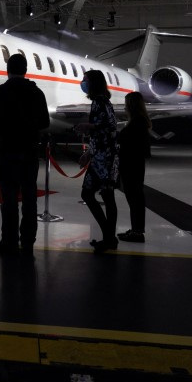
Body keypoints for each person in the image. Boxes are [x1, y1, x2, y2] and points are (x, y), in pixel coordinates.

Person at [0, 53, 49, 257]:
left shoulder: (1, 91)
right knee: (30, 198)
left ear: (8, 69)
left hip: (8, 152)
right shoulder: (36, 92)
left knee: (9, 199)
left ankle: (9, 241)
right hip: (30, 153)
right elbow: (45, 123)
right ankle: (28, 242)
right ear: (25, 70)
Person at [74, 69, 120, 254]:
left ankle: (109, 238)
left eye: (85, 80)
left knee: (104, 197)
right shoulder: (99, 102)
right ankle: (109, 237)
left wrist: (88, 126)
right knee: (93, 195)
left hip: (105, 159)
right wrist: (89, 154)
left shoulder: (101, 102)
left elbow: (110, 127)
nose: (82, 82)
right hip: (99, 156)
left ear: (93, 83)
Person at [116, 92, 151, 244]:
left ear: (131, 105)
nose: (124, 107)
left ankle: (137, 232)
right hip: (134, 164)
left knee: (135, 198)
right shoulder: (139, 120)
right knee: (134, 198)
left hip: (132, 164)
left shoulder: (137, 122)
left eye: (126, 103)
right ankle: (136, 229)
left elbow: (130, 141)